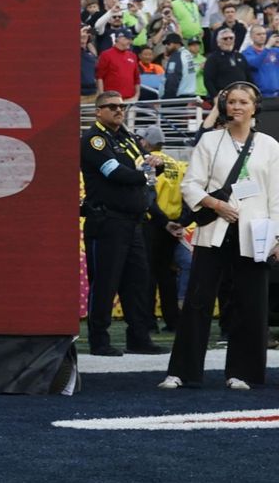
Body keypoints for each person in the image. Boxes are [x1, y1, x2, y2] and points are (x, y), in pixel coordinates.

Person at [162, 83, 279, 390]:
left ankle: (244, 372)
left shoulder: (269, 145)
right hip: (213, 231)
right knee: (198, 302)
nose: (237, 107)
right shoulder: (210, 141)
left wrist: (277, 237)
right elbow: (190, 185)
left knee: (250, 305)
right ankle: (182, 372)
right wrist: (216, 205)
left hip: (255, 233)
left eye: (244, 102)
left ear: (255, 107)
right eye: (232, 101)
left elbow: (277, 196)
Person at [79, 90, 163, 356]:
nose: (118, 110)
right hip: (107, 220)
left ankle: (138, 337)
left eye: (122, 106)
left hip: (132, 222)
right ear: (98, 111)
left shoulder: (126, 136)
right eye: (112, 106)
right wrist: (146, 173)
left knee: (137, 281)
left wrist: (153, 165)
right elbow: (115, 173)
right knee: (105, 282)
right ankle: (99, 340)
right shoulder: (94, 139)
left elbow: (144, 167)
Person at [138, 125, 189, 335]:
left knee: (148, 275)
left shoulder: (148, 163)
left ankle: (149, 322)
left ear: (146, 142)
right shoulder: (176, 164)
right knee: (167, 275)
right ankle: (173, 321)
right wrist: (180, 222)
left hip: (154, 223)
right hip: (173, 223)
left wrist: (160, 220)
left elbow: (148, 195)